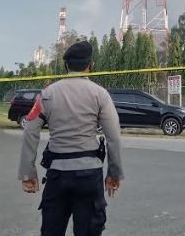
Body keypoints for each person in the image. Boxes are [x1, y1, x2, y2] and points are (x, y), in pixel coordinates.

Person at [19, 40, 123, 236]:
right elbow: (114, 137)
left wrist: (28, 174)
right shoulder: (100, 94)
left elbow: (30, 131)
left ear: (66, 66)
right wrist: (114, 174)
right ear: (90, 66)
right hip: (89, 176)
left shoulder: (47, 94)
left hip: (57, 176)